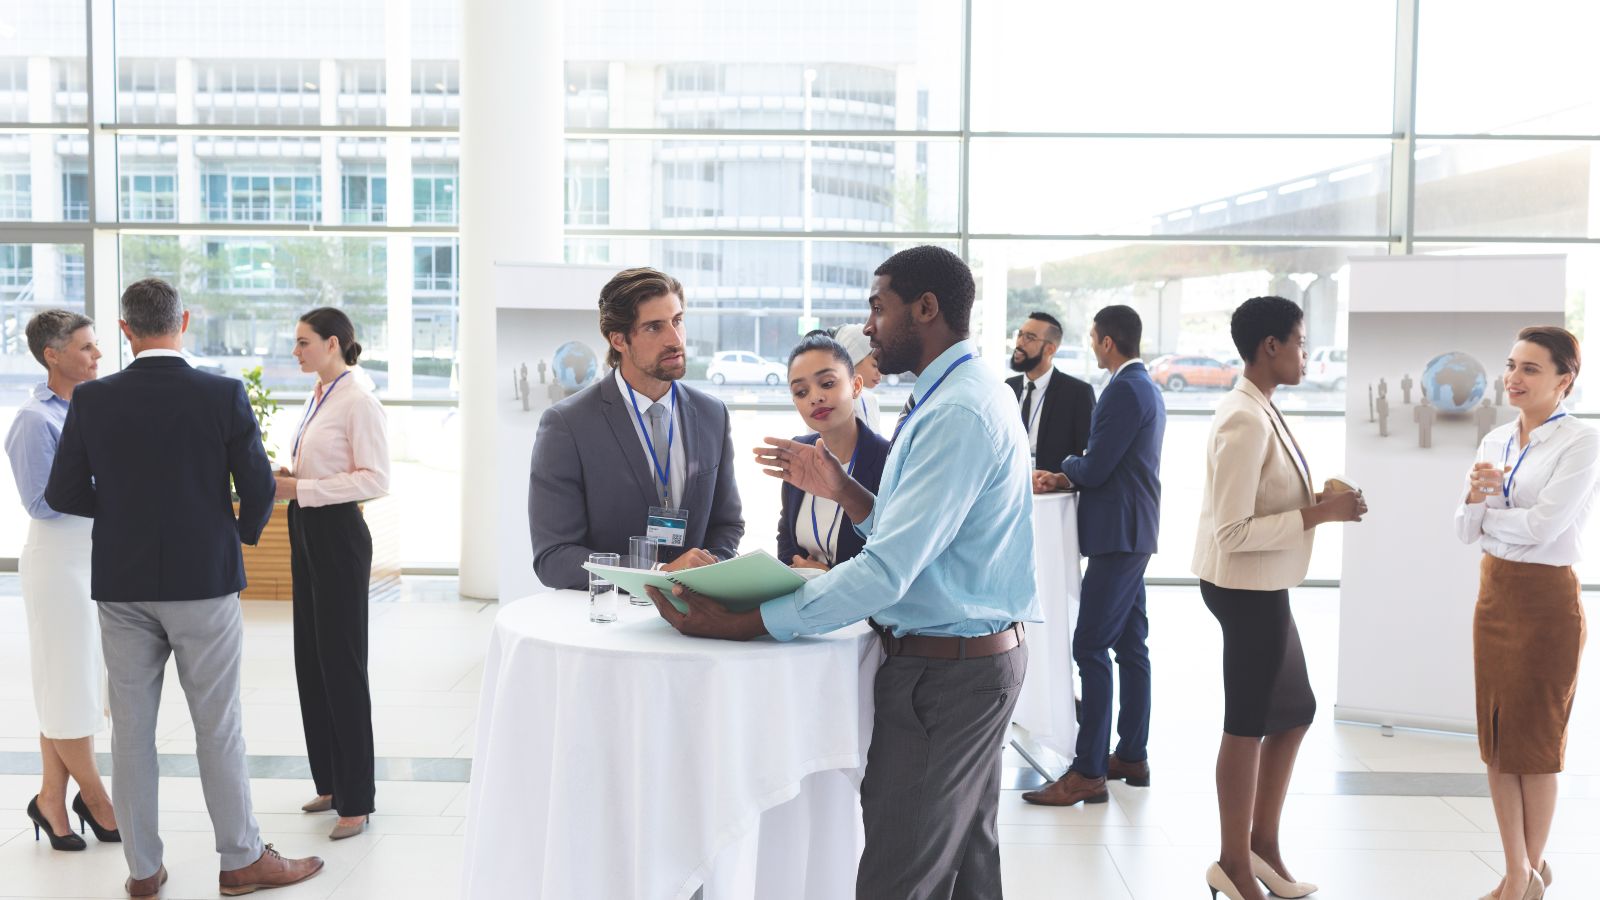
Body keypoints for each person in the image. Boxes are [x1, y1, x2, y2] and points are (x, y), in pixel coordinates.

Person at [650, 245, 1038, 899]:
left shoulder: (955, 413)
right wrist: (845, 492)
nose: (869, 327)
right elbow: (922, 538)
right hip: (966, 664)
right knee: (967, 871)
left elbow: (887, 571)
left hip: (949, 677)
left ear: (926, 309)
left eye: (878, 308)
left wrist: (749, 622)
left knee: (896, 877)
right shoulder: (961, 394)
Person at [44, 278, 323, 899]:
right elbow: (256, 487)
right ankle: (241, 861)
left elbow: (61, 493)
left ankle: (143, 871)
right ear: (185, 321)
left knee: (133, 732)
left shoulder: (93, 400)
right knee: (218, 726)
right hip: (205, 580)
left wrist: (121, 513)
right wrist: (232, 531)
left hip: (122, 581)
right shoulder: (220, 394)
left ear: (125, 330)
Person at [1190, 296, 1366, 900]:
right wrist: (1321, 513)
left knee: (1295, 711)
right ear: (1271, 346)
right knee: (1246, 724)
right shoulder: (1244, 417)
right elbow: (1232, 533)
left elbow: (1261, 500)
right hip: (1244, 588)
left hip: (1262, 587)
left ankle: (1261, 846)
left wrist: (1317, 501)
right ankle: (1232, 863)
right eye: (1299, 341)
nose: (1305, 354)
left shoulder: (1261, 406)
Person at [1456, 325, 1595, 900]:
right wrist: (1475, 503)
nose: (1513, 377)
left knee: (1534, 745)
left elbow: (1545, 529)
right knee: (1496, 739)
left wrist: (1493, 516)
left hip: (1546, 601)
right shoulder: (1493, 440)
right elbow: (1464, 530)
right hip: (1494, 596)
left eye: (1530, 369)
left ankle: (1524, 873)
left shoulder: (1581, 443)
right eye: (1511, 365)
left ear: (1565, 380)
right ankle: (1520, 871)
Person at [1023, 305, 1164, 807]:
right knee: (1130, 646)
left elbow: (1098, 465)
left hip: (1117, 535)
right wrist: (1072, 473)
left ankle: (1088, 771)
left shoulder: (1124, 389)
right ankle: (1130, 753)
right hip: (1131, 532)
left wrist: (1062, 466)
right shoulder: (1143, 385)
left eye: (1094, 338)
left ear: (1107, 342)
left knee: (1090, 647)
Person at [529, 267, 743, 589]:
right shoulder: (567, 425)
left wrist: (707, 571)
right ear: (618, 339)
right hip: (611, 619)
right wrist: (658, 572)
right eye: (655, 327)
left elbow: (726, 525)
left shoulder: (712, 414)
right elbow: (554, 557)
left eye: (678, 321)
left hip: (697, 616)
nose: (675, 339)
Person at [274, 307, 390, 841]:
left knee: (341, 663)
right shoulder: (319, 395)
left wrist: (304, 489)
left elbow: (374, 479)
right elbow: (321, 467)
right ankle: (331, 780)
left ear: (334, 343)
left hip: (337, 533)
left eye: (303, 342)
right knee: (310, 657)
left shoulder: (357, 400)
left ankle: (357, 799)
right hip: (306, 528)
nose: (295, 351)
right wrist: (292, 478)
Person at [5, 310, 118, 852]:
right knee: (67, 683)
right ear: (53, 355)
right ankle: (97, 799)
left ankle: (51, 799)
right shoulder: (34, 420)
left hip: (95, 556)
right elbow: (41, 502)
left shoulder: (95, 407)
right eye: (87, 348)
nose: (98, 356)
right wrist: (113, 486)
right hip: (58, 560)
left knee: (73, 685)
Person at [776, 333, 890, 571]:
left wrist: (827, 578)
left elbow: (891, 559)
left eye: (827, 383)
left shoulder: (887, 460)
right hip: (803, 602)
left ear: (856, 386)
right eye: (801, 392)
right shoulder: (799, 452)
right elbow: (786, 543)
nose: (815, 398)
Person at [1006, 311, 1095, 473]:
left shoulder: (1077, 393)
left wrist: (1059, 480)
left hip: (1053, 492)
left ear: (1050, 349)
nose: (1020, 342)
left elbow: (1087, 454)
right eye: (1020, 334)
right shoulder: (1008, 387)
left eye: (1029, 337)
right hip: (1010, 485)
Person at [833, 323, 883, 433]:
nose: (880, 372)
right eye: (874, 365)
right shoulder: (830, 405)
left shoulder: (871, 400)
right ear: (852, 360)